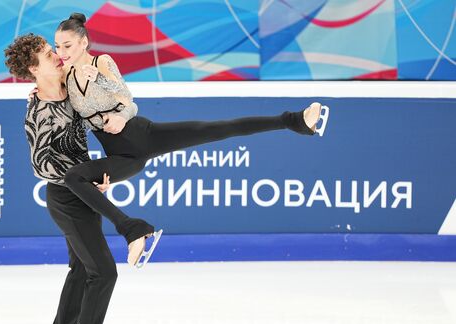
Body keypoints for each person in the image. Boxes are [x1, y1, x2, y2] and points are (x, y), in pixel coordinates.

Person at [49, 13, 329, 227]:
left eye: (68, 45)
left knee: (216, 129)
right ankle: (134, 233)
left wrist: (116, 110)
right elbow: (73, 118)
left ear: (84, 42)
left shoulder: (102, 63)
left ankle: (295, 120)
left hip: (141, 135)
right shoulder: (67, 78)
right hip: (121, 157)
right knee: (79, 179)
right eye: (58, 46)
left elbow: (127, 98)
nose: (62, 52)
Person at [4, 33, 152, 324]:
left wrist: (93, 173)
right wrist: (81, 177)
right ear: (32, 69)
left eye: (52, 48)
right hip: (67, 199)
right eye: (45, 54)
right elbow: (41, 164)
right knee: (104, 272)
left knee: (83, 268)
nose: (55, 54)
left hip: (82, 192)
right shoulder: (39, 111)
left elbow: (107, 102)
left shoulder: (69, 90)